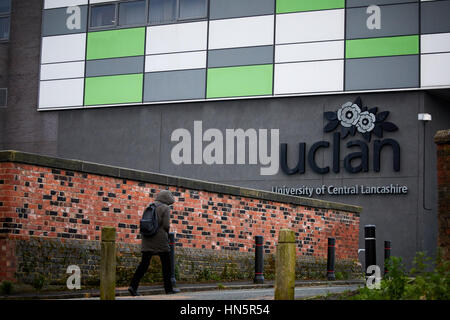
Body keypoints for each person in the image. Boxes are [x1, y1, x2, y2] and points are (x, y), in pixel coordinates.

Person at [128, 190, 180, 296]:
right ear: (166, 199)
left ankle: (133, 286)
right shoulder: (165, 208)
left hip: (147, 238)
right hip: (160, 240)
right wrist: (167, 233)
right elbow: (166, 225)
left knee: (144, 264)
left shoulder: (150, 206)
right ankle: (169, 289)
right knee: (166, 264)